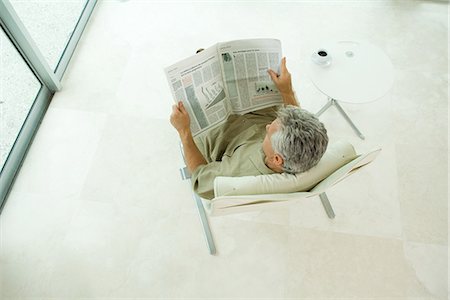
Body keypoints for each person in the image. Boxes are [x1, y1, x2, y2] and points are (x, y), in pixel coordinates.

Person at [170, 57, 328, 199]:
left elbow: (199, 180)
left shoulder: (237, 175)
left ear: (277, 159)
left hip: (221, 130)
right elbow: (298, 128)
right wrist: (286, 91)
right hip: (251, 112)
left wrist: (184, 131)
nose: (267, 126)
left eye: (269, 131)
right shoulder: (304, 149)